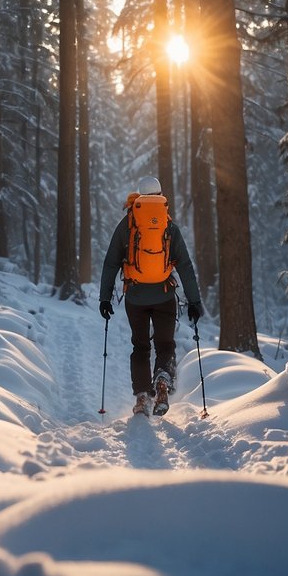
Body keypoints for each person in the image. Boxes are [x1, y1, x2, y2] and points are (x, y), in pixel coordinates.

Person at [99, 176, 202, 416]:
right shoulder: (168, 226)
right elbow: (185, 266)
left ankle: (143, 398)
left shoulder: (128, 224)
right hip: (164, 295)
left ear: (139, 197)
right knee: (165, 344)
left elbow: (111, 262)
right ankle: (163, 381)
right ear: (160, 195)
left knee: (140, 346)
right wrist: (194, 302)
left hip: (135, 297)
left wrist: (105, 298)